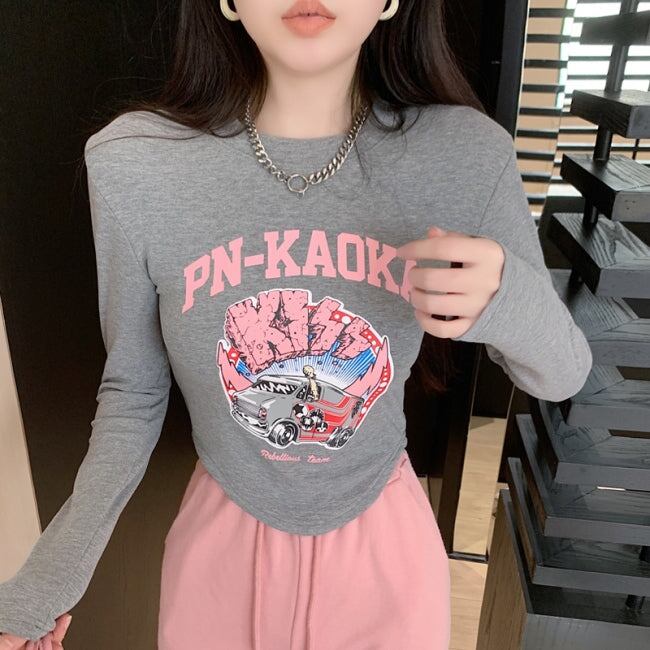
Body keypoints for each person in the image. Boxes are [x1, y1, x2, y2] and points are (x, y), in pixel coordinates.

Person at [0, 0, 594, 648]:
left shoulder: (465, 155)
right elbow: (132, 396)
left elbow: (563, 373)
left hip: (384, 554)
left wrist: (502, 294)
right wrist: (38, 590)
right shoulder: (135, 164)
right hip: (219, 558)